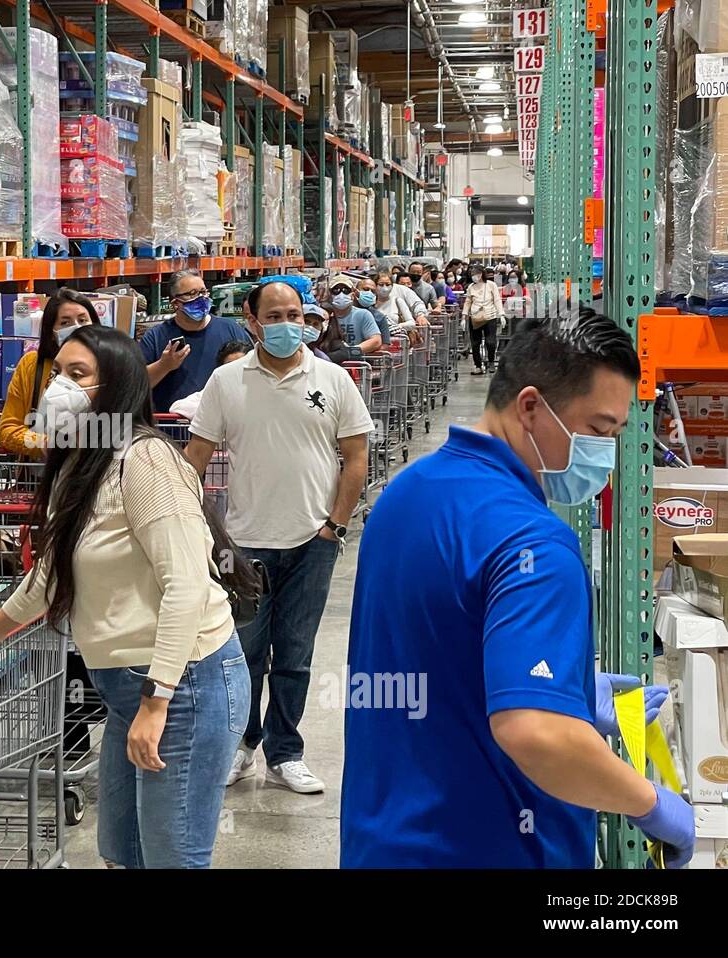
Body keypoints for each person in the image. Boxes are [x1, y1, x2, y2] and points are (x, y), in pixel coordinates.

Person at [342, 314, 694, 868]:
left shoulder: (407, 491)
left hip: (384, 840)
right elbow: (534, 732)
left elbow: (432, 651)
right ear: (530, 406)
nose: (606, 453)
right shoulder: (534, 542)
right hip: (492, 849)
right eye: (599, 430)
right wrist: (649, 804)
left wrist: (566, 685)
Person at [0, 324, 252, 869]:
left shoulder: (145, 462)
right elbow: (51, 574)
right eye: (57, 374)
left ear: (115, 387)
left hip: (183, 683)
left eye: (78, 375)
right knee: (121, 849)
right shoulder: (80, 462)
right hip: (127, 691)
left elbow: (186, 584)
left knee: (172, 857)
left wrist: (157, 699)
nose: (58, 389)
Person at [184, 281, 373, 794]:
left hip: (313, 542)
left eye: (295, 313)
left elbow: (355, 456)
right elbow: (195, 458)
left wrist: (334, 524)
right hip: (242, 545)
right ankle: (241, 747)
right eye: (275, 314)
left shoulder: (333, 380)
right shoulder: (226, 382)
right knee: (242, 652)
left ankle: (285, 752)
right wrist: (197, 525)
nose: (288, 324)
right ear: (252, 319)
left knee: (294, 653)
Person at [0, 287, 98, 457]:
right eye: (65, 323)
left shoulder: (108, 363)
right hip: (39, 477)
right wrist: (44, 443)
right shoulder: (32, 366)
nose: (77, 328)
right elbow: (8, 430)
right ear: (51, 332)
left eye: (83, 320)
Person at [140, 269, 250, 412]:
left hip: (221, 426)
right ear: (175, 303)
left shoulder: (231, 330)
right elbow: (136, 385)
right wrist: (164, 365)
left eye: (203, 292)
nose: (201, 298)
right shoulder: (155, 337)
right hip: (172, 428)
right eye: (192, 294)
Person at [168, 339, 252, 420]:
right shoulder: (214, 390)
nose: (236, 371)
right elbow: (177, 407)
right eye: (230, 367)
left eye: (241, 366)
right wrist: (220, 411)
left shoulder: (261, 387)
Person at [463, 264, 505, 375]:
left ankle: (491, 362)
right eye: (471, 274)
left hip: (490, 316)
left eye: (474, 274)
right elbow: (468, 302)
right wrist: (464, 316)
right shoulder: (471, 287)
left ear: (481, 274)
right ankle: (478, 365)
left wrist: (501, 314)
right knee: (475, 343)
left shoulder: (491, 285)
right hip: (475, 317)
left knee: (490, 341)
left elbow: (497, 300)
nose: (473, 276)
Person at [328, 273, 383, 354]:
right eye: (336, 290)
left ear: (353, 295)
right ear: (330, 295)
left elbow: (376, 341)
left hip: (357, 363)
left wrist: (349, 352)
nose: (341, 294)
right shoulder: (324, 315)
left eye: (346, 291)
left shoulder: (363, 314)